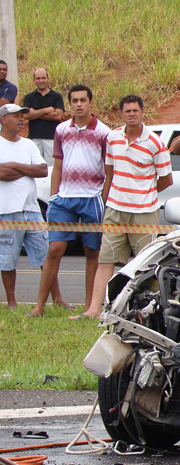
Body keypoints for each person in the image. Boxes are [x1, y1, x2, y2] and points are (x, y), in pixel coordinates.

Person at [74, 95, 172, 320]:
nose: (132, 114)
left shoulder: (155, 143)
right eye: (127, 111)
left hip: (144, 212)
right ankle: (93, 310)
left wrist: (144, 194)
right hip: (115, 210)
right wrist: (107, 201)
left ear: (142, 111)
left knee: (147, 264)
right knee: (105, 260)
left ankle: (149, 311)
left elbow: (166, 179)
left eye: (135, 110)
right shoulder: (112, 138)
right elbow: (109, 173)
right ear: (121, 114)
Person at [29, 85, 111, 317]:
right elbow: (58, 165)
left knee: (91, 252)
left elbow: (108, 171)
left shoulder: (103, 132)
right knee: (54, 249)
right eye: (74, 100)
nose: (78, 104)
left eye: (83, 100)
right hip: (64, 199)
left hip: (91, 199)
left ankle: (88, 307)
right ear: (69, 104)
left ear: (90, 102)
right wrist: (54, 197)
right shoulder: (62, 129)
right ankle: (39, 307)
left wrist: (102, 199)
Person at [0, 104, 49, 311]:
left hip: (32, 209)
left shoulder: (28, 144)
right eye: (16, 116)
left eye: (23, 116)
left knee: (46, 256)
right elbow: (2, 174)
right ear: (3, 119)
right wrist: (27, 170)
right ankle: (12, 302)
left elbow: (42, 170)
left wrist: (14, 165)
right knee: (8, 260)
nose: (22, 120)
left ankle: (56, 298)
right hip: (8, 210)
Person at [21, 68, 64, 162]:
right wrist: (46, 110)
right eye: (38, 78)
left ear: (48, 79)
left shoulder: (56, 96)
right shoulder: (29, 97)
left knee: (51, 168)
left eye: (43, 78)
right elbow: (26, 116)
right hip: (34, 139)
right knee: (35, 166)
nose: (41, 81)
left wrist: (34, 113)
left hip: (51, 139)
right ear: (34, 80)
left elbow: (58, 116)